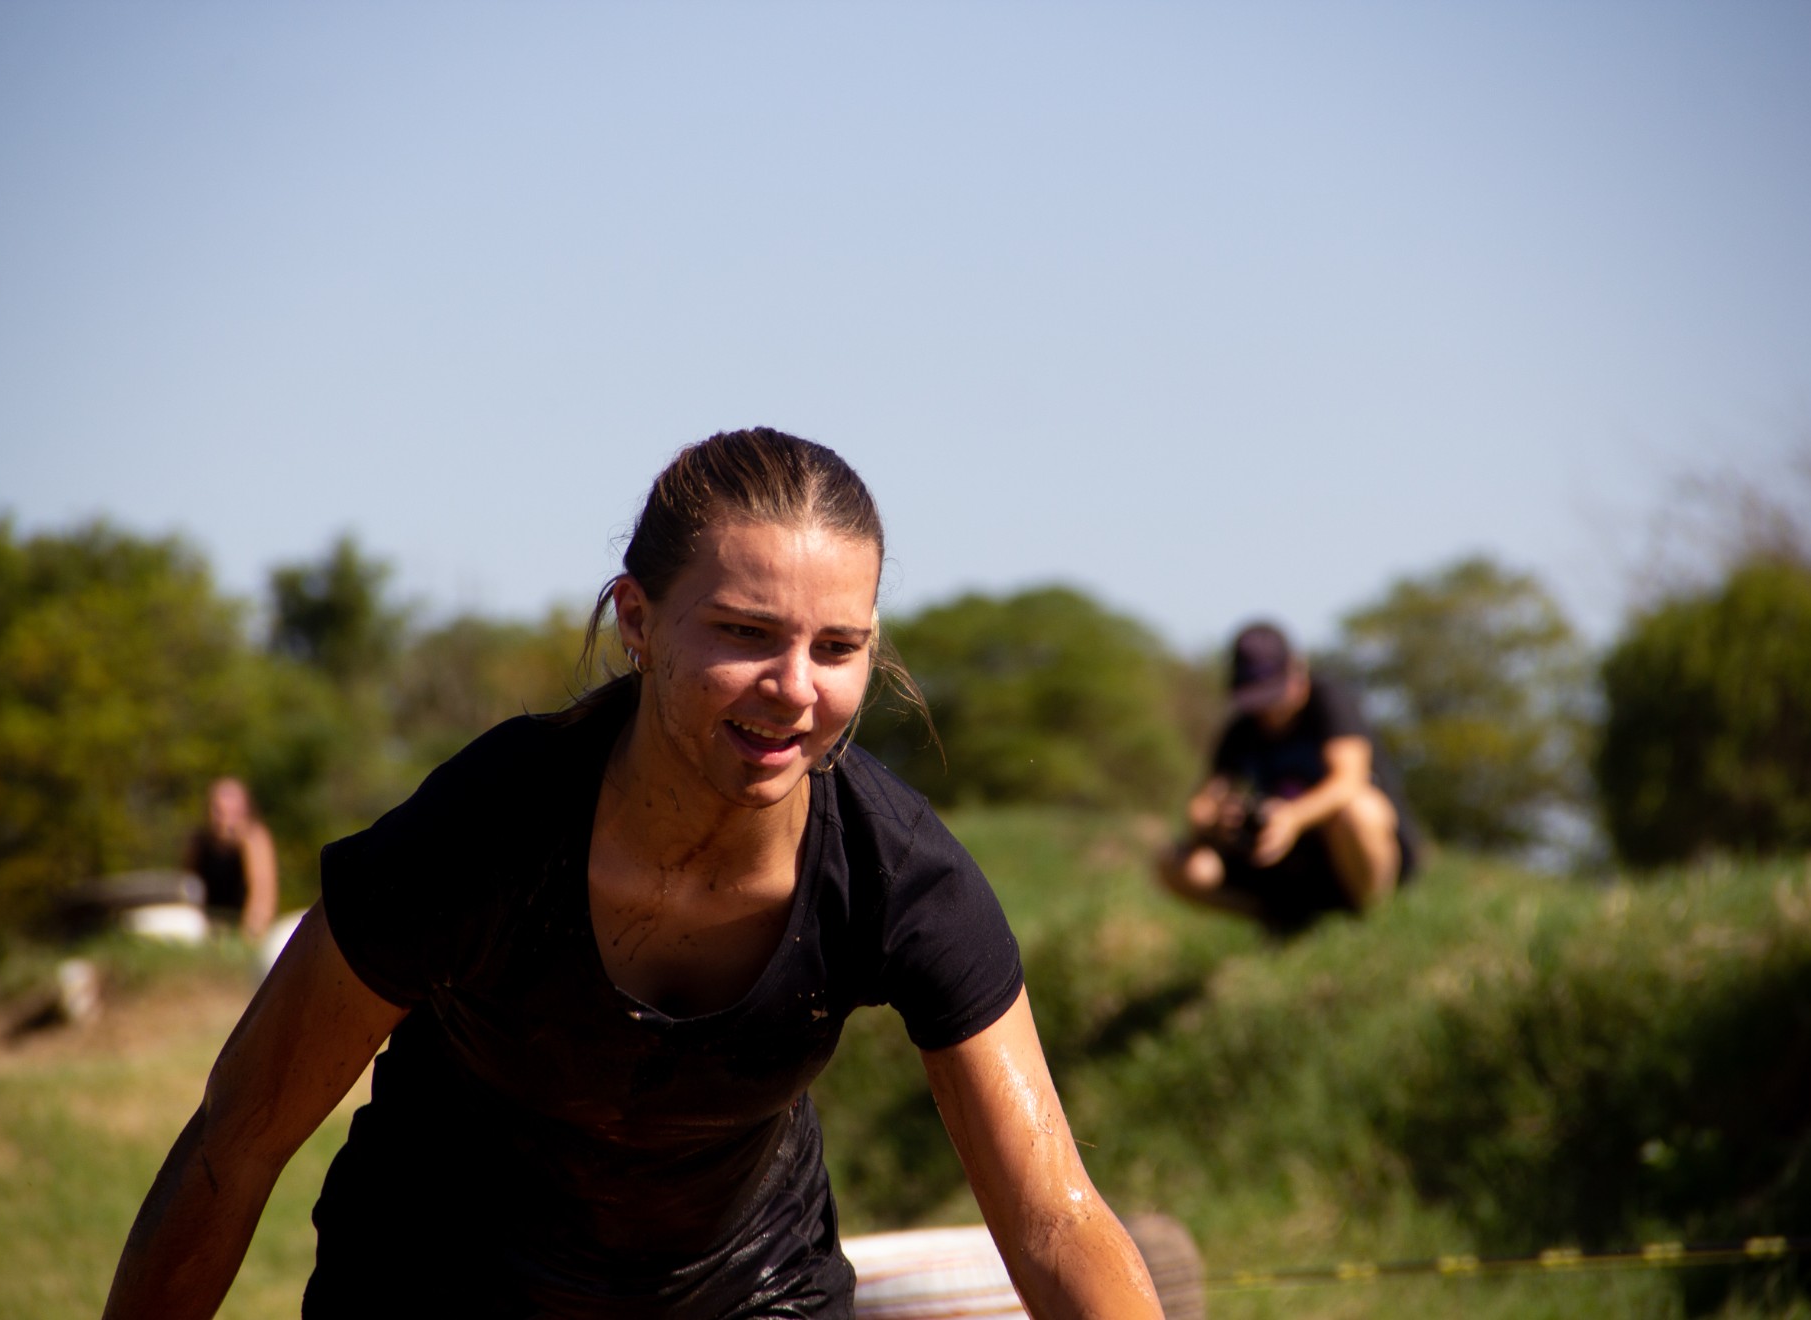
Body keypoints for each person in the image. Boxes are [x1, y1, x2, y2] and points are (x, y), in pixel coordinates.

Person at [104, 429, 1161, 1319]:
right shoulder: (478, 837)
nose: (795, 689)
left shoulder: (900, 877)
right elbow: (235, 1144)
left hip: (750, 1290)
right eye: (746, 633)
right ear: (639, 622)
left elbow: (1051, 1215)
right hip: (439, 1282)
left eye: (837, 648)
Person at [1157, 621, 1417, 934]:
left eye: (1273, 693)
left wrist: (1292, 817)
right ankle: (1279, 922)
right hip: (1288, 867)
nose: (1267, 708)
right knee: (1178, 865)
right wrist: (1216, 819)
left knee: (1359, 809)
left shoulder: (1329, 701)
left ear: (1297, 670)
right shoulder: (1242, 728)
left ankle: (1373, 919)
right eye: (1257, 697)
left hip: (1352, 856)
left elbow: (1349, 780)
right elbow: (1201, 804)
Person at [183, 776, 279, 943]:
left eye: (233, 813)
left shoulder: (254, 840)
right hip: (207, 930)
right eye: (218, 811)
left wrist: (248, 938)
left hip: (243, 932)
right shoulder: (200, 842)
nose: (225, 821)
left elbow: (263, 897)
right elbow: (186, 891)